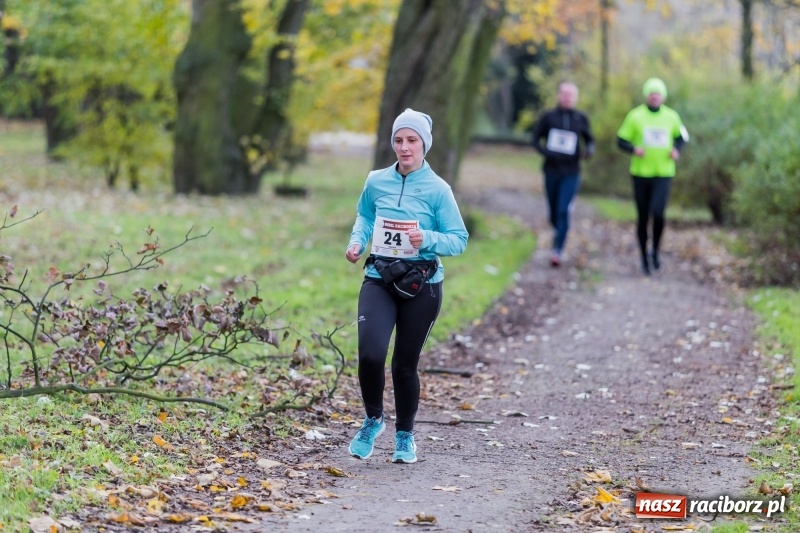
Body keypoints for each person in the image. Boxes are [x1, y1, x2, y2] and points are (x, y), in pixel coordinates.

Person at [344, 108, 468, 464]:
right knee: (371, 354)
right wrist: (357, 241)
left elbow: (458, 239)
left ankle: (405, 435)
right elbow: (365, 215)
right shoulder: (376, 181)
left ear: (424, 144)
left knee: (403, 365)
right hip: (379, 278)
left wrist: (426, 238)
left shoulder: (438, 189)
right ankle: (373, 419)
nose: (404, 147)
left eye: (412, 140)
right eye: (398, 140)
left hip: (422, 285)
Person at [616, 77, 689, 275]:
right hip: (640, 173)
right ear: (646, 96)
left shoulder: (671, 116)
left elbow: (682, 137)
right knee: (643, 215)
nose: (655, 97)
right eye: (651, 93)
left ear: (663, 96)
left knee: (658, 213)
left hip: (663, 173)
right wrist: (633, 149)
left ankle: (655, 251)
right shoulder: (635, 116)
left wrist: (676, 150)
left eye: (658, 94)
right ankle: (643, 257)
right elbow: (620, 140)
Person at [531, 81, 595, 267]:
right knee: (553, 212)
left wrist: (588, 151)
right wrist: (546, 152)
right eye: (564, 94)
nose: (567, 98)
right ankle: (558, 232)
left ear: (576, 98)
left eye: (571, 95)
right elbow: (535, 139)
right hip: (551, 170)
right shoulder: (548, 117)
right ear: (558, 96)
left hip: (571, 172)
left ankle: (558, 250)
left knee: (563, 209)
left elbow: (590, 140)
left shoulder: (580, 118)